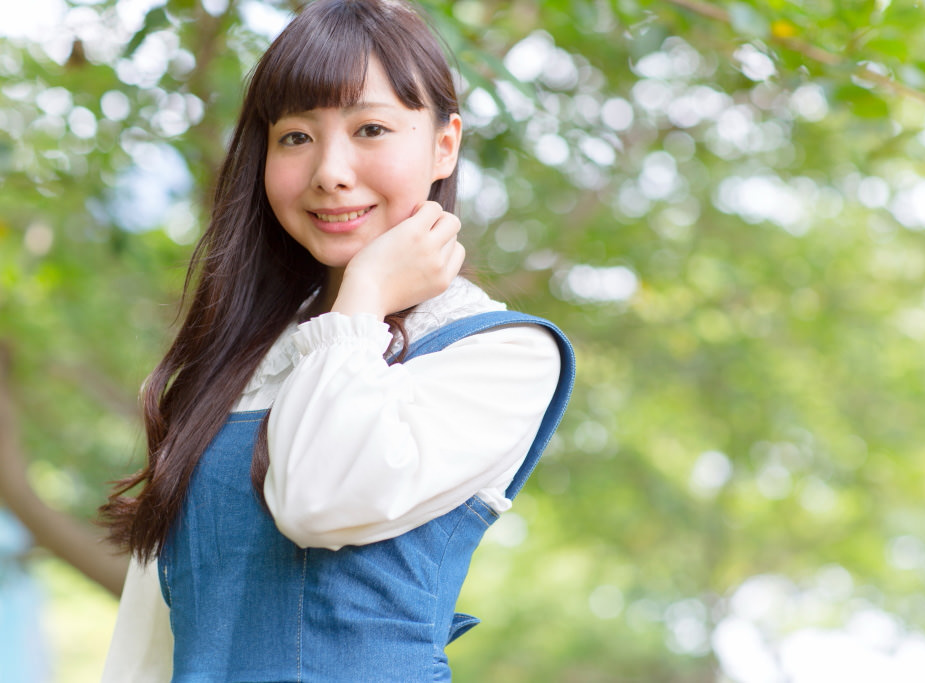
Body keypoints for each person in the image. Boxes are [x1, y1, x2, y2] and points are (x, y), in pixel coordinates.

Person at [99, 0, 575, 680]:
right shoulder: (234, 361)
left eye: (371, 128)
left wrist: (364, 297)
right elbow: (150, 636)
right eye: (296, 137)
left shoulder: (499, 352)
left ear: (445, 144)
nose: (330, 170)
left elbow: (317, 502)